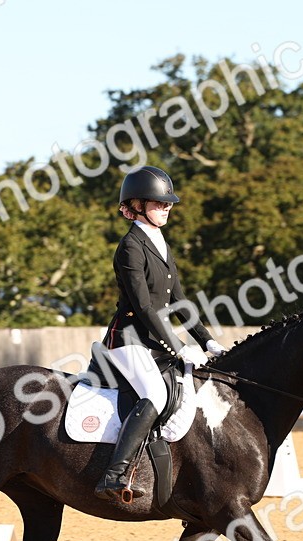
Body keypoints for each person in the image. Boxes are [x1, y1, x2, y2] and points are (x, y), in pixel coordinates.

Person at [95, 165, 226, 502]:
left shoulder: (160, 242)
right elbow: (144, 307)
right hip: (128, 339)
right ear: (136, 206)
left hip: (155, 340)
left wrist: (207, 341)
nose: (166, 208)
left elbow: (179, 301)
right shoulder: (130, 247)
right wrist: (177, 346)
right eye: (158, 203)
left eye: (168, 204)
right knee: (153, 393)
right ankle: (114, 475)